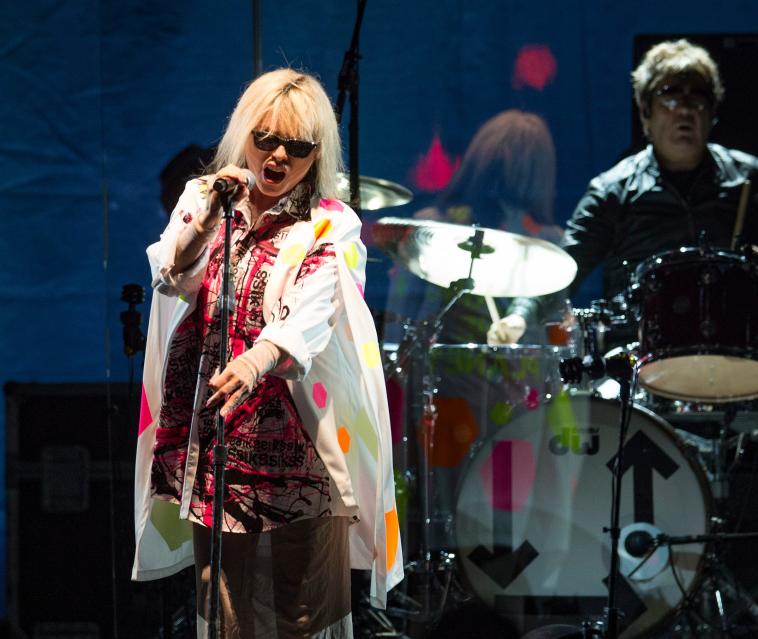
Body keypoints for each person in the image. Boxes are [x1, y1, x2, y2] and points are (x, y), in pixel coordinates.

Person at [488, 39, 758, 577]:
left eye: (698, 97)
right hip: (645, 370)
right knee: (590, 406)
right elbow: (563, 269)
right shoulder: (613, 190)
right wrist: (521, 313)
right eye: (669, 95)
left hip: (742, 367)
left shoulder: (751, 180)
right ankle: (603, 575)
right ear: (645, 113)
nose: (685, 108)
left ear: (713, 111)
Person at [131, 68, 403, 637]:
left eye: (297, 147)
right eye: (266, 139)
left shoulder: (332, 223)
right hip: (215, 433)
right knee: (222, 606)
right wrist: (207, 220)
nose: (278, 156)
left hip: (293, 439)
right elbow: (170, 274)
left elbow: (314, 309)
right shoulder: (206, 197)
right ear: (244, 133)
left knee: (301, 609)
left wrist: (257, 361)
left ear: (316, 153)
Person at [385, 109, 563, 344]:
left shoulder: (551, 243)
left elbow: (399, 312)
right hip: (482, 373)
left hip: (459, 370)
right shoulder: (432, 229)